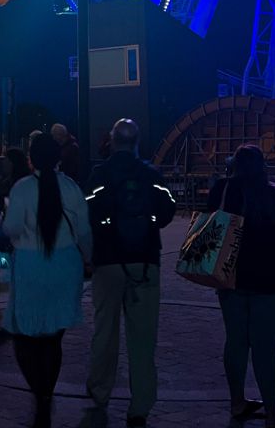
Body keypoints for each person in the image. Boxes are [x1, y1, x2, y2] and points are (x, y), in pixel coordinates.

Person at [207, 143, 275, 428]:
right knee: (265, 348)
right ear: (263, 166)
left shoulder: (223, 191)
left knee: (235, 343)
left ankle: (237, 402)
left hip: (230, 278)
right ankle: (272, 414)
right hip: (271, 280)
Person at [86, 118, 176, 428]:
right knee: (142, 338)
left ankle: (100, 394)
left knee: (104, 331)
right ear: (137, 141)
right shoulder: (150, 173)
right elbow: (168, 209)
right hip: (145, 261)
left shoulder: (100, 173)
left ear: (111, 140)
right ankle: (140, 406)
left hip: (108, 261)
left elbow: (88, 211)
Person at [2, 132, 92, 428]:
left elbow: (12, 228)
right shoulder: (71, 188)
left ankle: (39, 393)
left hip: (31, 266)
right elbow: (84, 232)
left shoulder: (22, 189)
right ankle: (46, 395)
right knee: (54, 339)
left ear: (31, 159)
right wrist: (91, 260)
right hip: (65, 266)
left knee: (24, 336)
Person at [0, 146, 30, 317]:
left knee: (10, 269)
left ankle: (6, 306)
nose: (3, 162)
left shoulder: (18, 182)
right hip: (0, 225)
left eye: (6, 159)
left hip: (10, 227)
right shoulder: (7, 180)